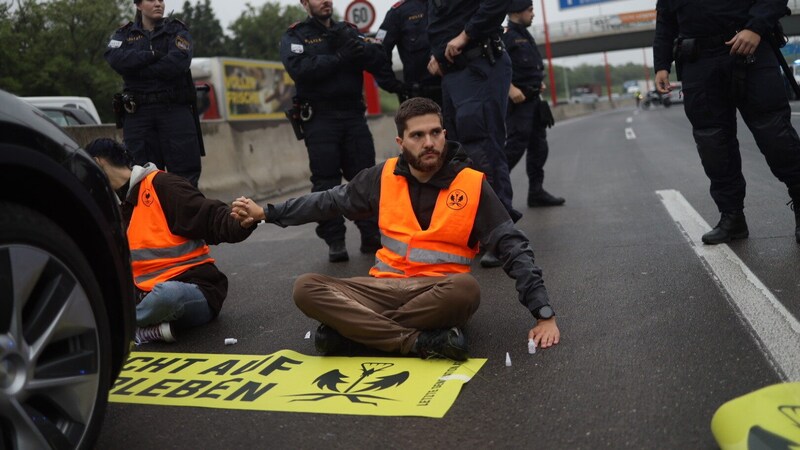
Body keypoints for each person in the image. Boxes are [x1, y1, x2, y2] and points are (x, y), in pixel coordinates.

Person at [230, 98, 560, 361]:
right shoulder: (381, 176)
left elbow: (513, 246)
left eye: (436, 133)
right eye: (418, 136)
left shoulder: (472, 184)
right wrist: (267, 213)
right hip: (382, 290)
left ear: (445, 134)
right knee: (305, 288)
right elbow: (327, 202)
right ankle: (415, 342)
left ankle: (352, 333)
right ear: (401, 141)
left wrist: (543, 312)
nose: (429, 142)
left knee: (468, 290)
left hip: (439, 293)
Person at [654, 0, 800, 245]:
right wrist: (661, 64)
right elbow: (665, 21)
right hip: (698, 60)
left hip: (749, 49)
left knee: (774, 133)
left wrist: (755, 28)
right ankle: (732, 218)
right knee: (713, 144)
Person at [85, 138, 254, 344]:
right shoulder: (115, 206)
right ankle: (148, 330)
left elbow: (208, 216)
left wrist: (239, 222)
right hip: (145, 295)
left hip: (192, 291)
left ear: (97, 162)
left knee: (167, 295)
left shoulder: (161, 185)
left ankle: (118, 329)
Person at [279, 0, 400, 263]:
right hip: (320, 119)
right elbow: (299, 69)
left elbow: (379, 60)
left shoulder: (348, 30)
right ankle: (335, 240)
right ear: (304, 3)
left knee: (365, 178)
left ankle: (371, 235)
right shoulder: (297, 34)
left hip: (353, 116)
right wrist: (339, 58)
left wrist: (361, 50)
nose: (325, 1)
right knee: (326, 181)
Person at [105, 0, 202, 188]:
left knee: (184, 180)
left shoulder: (177, 31)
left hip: (174, 111)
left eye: (161, 0)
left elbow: (176, 64)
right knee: (141, 178)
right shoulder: (124, 33)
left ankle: (183, 218)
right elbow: (115, 59)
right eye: (152, 0)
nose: (159, 4)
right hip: (139, 114)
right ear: (139, 5)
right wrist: (151, 55)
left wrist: (136, 70)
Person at [502, 0, 565, 208]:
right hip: (518, 103)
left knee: (539, 147)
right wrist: (510, 89)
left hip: (534, 100)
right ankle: (495, 195)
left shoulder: (524, 34)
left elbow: (528, 66)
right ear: (517, 11)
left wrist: (538, 82)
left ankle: (536, 192)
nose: (533, 14)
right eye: (530, 10)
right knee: (514, 147)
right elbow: (498, 65)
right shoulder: (506, 35)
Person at [373, 0, 442, 106]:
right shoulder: (398, 13)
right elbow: (378, 50)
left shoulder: (451, 4)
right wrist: (394, 86)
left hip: (456, 87)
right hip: (420, 95)